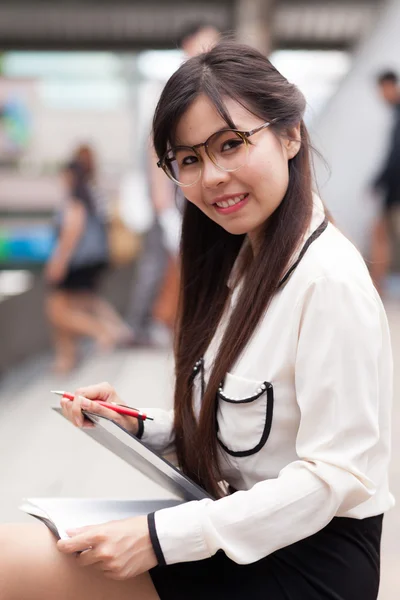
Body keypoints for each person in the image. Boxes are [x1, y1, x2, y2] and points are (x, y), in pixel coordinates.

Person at [0, 42, 394, 600]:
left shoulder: (328, 281)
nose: (211, 177)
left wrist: (160, 538)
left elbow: (334, 476)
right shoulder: (245, 265)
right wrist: (135, 426)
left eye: (230, 145)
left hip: (306, 564)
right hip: (239, 533)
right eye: (187, 159)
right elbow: (255, 429)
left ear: (290, 134)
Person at [126, 22, 220, 347]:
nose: (211, 47)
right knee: (158, 262)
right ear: (187, 44)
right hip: (171, 192)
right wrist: (161, 202)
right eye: (205, 41)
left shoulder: (214, 85)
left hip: (191, 189)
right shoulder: (174, 87)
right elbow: (156, 147)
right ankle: (143, 327)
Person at [45, 144, 132, 373]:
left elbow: (72, 230)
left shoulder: (75, 198)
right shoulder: (93, 194)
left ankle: (104, 332)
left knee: (57, 310)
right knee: (78, 304)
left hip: (76, 262)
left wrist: (58, 262)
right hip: (92, 261)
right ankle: (67, 358)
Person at [370, 70, 400, 295]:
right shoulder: (395, 113)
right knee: (379, 234)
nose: (381, 95)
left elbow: (396, 155)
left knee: (380, 236)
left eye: (382, 89)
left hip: (395, 190)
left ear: (390, 86)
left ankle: (376, 288)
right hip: (392, 190)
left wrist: (378, 181)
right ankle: (377, 287)